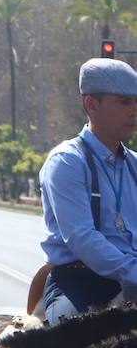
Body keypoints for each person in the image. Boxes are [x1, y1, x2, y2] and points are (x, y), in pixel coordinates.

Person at [38, 58, 137, 323]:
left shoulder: (135, 165)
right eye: (124, 102)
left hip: (133, 275)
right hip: (79, 281)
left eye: (136, 101)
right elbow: (81, 237)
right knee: (70, 345)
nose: (134, 110)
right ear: (91, 104)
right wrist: (133, 272)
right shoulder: (67, 162)